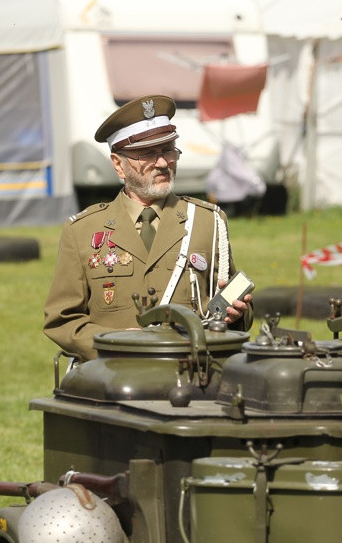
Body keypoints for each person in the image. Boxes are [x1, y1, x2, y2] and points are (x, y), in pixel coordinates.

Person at [44, 95, 253, 362]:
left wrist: (238, 314)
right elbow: (62, 319)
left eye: (168, 149)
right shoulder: (83, 230)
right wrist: (114, 344)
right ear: (119, 164)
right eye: (148, 154)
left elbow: (234, 312)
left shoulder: (207, 221)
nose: (164, 163)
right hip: (114, 380)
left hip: (191, 380)